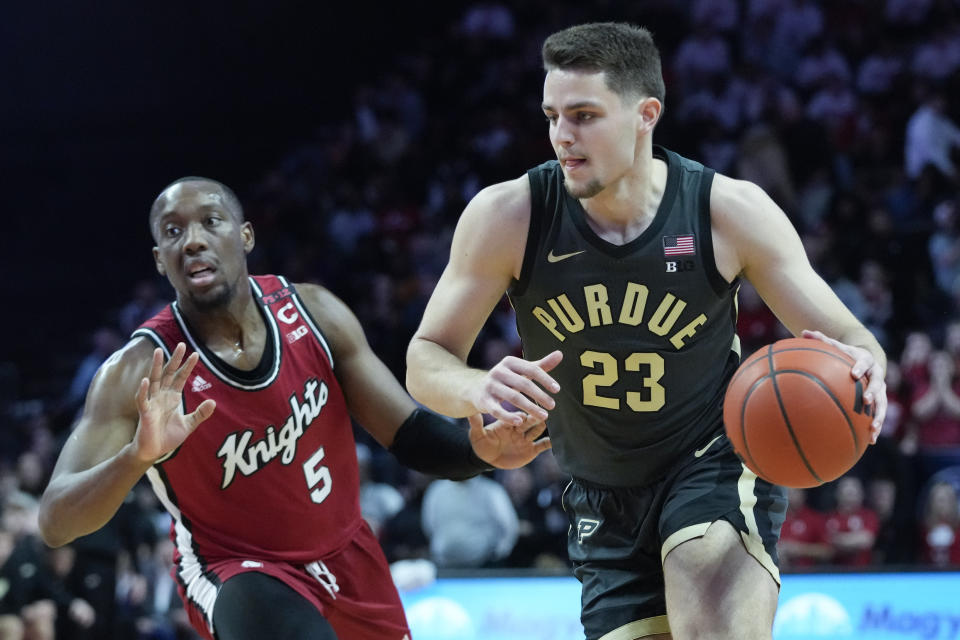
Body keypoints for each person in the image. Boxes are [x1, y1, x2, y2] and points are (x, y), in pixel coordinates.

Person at [405, 22, 887, 640]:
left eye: (583, 115)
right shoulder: (510, 216)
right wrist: (476, 389)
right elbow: (426, 357)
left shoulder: (725, 211)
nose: (561, 136)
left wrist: (869, 360)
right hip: (599, 497)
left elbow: (850, 336)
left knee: (711, 617)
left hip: (711, 462)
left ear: (645, 114)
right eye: (552, 115)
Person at [37, 177, 552, 640]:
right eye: (172, 232)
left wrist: (477, 450)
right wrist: (136, 457)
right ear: (159, 259)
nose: (191, 239)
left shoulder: (314, 313)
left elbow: (409, 435)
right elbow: (56, 521)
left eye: (210, 222)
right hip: (237, 570)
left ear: (245, 236)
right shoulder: (136, 371)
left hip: (348, 554)